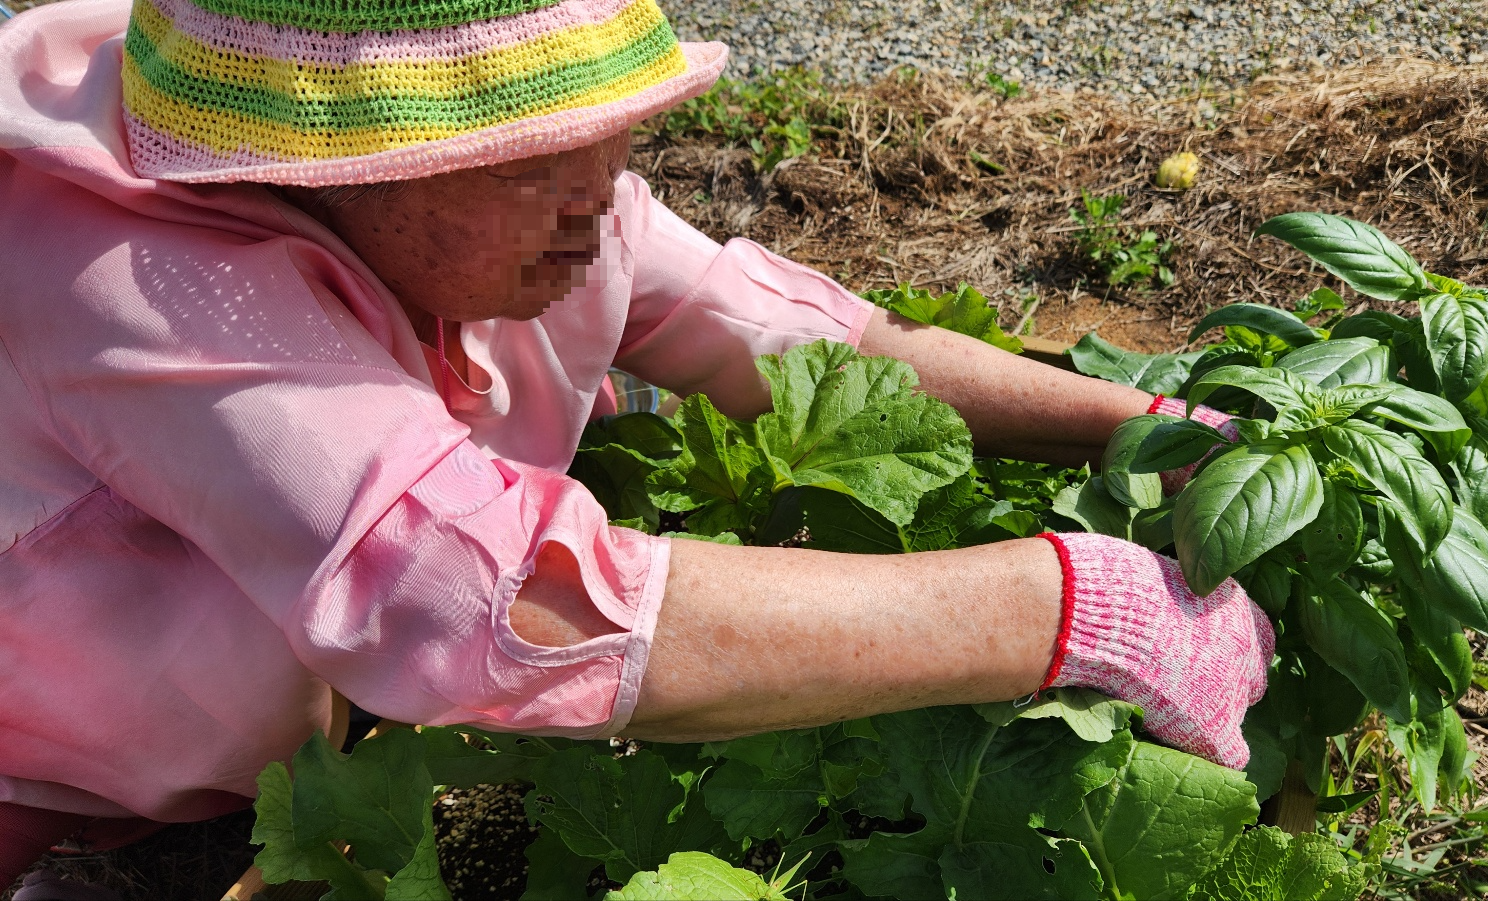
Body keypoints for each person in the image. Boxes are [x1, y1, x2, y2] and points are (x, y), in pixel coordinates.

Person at [0, 0, 1273, 888]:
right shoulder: (130, 280)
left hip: (301, 752)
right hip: (60, 788)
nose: (599, 195)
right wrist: (1069, 606)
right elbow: (486, 599)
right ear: (328, 157)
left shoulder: (535, 203)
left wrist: (1137, 421)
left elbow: (775, 338)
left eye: (613, 134)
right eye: (532, 155)